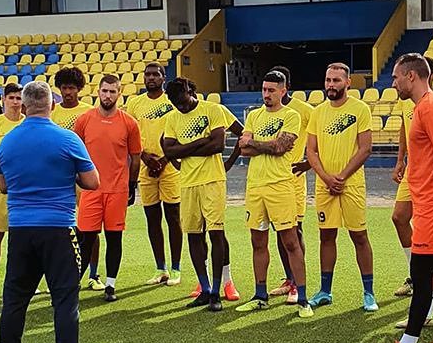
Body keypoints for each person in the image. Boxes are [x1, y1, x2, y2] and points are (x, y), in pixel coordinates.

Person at [0, 80, 100, 343]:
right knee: (65, 300)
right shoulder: (67, 139)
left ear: (23, 107)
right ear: (52, 106)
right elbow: (92, 181)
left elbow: (3, 187)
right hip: (58, 228)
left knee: (15, 300)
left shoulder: (7, 141)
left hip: (21, 230)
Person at [372, 54, 433, 343]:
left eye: (396, 77)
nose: (393, 82)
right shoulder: (425, 107)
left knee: (422, 274)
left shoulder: (430, 107)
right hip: (432, 199)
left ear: (412, 76)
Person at [234, 71, 312, 317]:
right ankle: (260, 296)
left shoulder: (291, 115)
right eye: (264, 89)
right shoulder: (254, 115)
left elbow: (280, 147)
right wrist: (263, 145)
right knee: (258, 242)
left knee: (290, 241)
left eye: (271, 90)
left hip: (281, 185)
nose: (266, 94)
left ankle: (302, 298)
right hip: (255, 186)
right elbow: (242, 149)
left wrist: (255, 143)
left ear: (283, 90)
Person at [304, 62, 376, 311]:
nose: (331, 85)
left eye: (336, 80)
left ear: (347, 83)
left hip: (352, 184)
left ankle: (369, 292)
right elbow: (310, 151)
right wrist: (326, 177)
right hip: (325, 185)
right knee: (326, 235)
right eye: (328, 80)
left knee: (359, 236)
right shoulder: (317, 112)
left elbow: (366, 148)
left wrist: (342, 176)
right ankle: (325, 290)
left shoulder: (360, 109)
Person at [161, 78, 231, 312]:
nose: (179, 107)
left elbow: (219, 144)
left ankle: (217, 291)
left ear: (190, 91)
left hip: (212, 180)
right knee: (193, 234)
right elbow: (169, 149)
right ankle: (204, 287)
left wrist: (186, 148)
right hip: (188, 182)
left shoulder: (212, 109)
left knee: (216, 233)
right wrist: (201, 141)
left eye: (181, 101)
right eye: (174, 104)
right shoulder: (172, 118)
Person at [73, 75, 142, 302]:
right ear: (98, 92)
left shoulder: (129, 123)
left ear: (119, 94)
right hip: (91, 190)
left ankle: (110, 285)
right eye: (104, 91)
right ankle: (73, 284)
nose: (108, 95)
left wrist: (132, 185)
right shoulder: (84, 120)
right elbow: (75, 153)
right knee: (85, 239)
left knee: (114, 239)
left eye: (113, 92)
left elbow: (135, 156)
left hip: (117, 191)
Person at [391, 55, 433, 299]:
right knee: (399, 217)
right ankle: (416, 275)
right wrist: (400, 160)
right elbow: (406, 128)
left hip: (431, 178)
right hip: (412, 170)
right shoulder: (407, 102)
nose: (394, 83)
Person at [125, 62, 182, 286]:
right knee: (152, 217)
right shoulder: (135, 103)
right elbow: (129, 135)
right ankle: (161, 268)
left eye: (155, 74)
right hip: (145, 165)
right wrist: (145, 157)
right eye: (147, 74)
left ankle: (176, 268)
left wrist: (165, 159)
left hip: (170, 166)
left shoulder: (172, 101)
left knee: (173, 216)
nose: (151, 78)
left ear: (163, 78)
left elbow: (180, 130)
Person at [267, 65, 314, 304]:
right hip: (272, 179)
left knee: (294, 230)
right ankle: (289, 279)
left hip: (293, 178)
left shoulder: (304, 110)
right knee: (279, 230)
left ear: (285, 87)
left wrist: (310, 163)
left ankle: (298, 283)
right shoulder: (267, 112)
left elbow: (320, 136)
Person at [51, 65, 100, 286]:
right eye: (63, 87)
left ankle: (93, 274)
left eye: (71, 87)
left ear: (79, 88)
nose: (67, 92)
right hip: (58, 177)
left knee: (89, 228)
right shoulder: (52, 112)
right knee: (60, 229)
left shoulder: (89, 111)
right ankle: (62, 274)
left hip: (83, 175)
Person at [0, 83, 24, 296]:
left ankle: (25, 281)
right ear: (4, 100)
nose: (16, 102)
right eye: (12, 98)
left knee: (22, 239)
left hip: (23, 190)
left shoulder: (28, 123)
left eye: (19, 98)